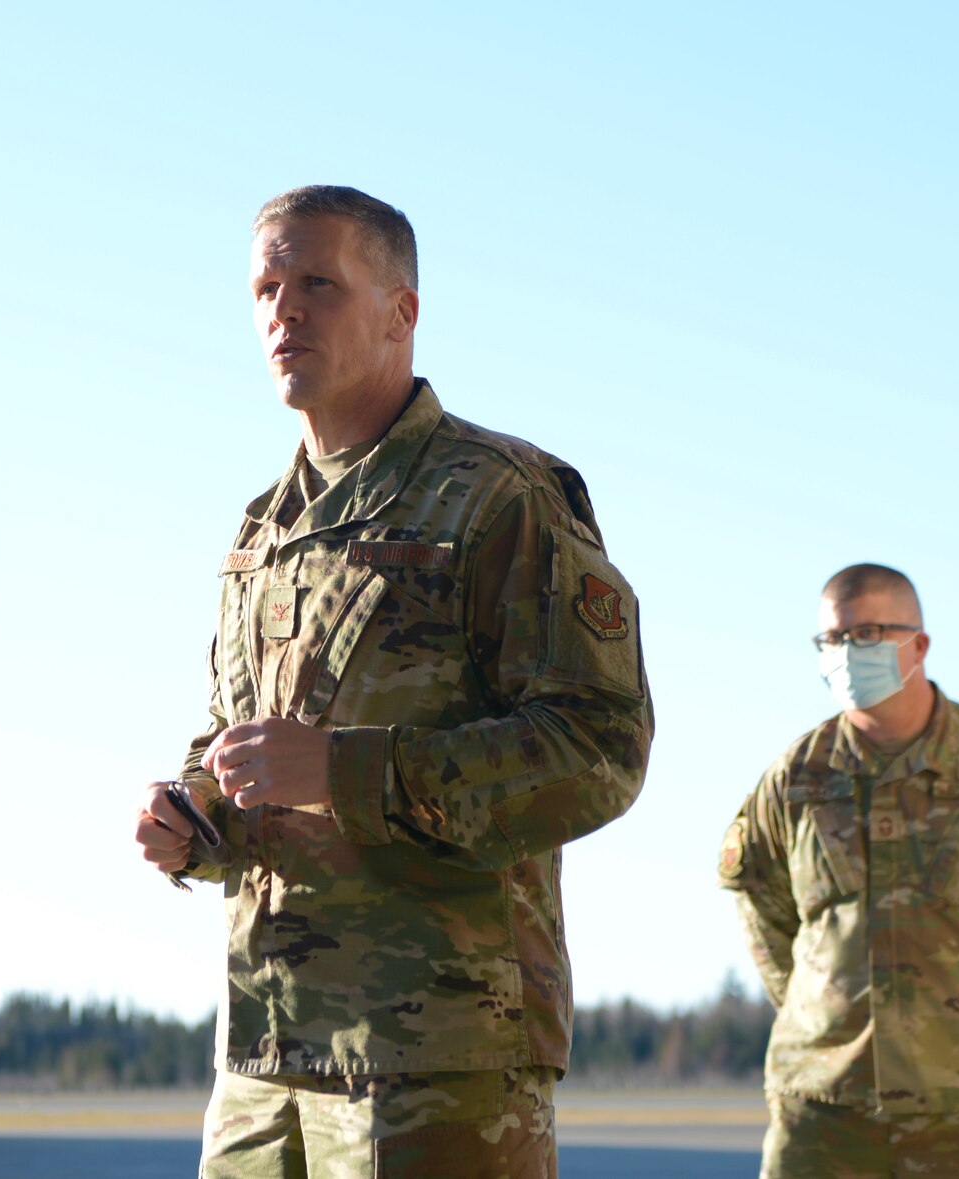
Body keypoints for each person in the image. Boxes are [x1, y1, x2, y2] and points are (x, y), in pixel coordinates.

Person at [134, 185, 654, 1176]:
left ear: (399, 313)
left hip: (435, 1059)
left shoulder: (502, 495)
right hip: (262, 1054)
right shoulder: (260, 531)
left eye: (317, 284)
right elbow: (238, 744)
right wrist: (191, 815)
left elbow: (597, 749)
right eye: (264, 288)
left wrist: (344, 772)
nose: (282, 311)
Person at [719, 562, 959, 1178]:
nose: (847, 653)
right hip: (826, 1113)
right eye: (832, 639)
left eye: (867, 634)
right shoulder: (796, 779)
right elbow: (760, 904)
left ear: (918, 644)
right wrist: (823, 1010)